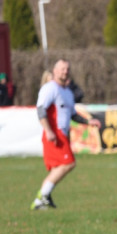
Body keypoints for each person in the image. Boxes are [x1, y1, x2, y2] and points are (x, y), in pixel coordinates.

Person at [31, 60, 102, 210]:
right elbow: (41, 109)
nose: (65, 72)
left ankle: (42, 198)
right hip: (54, 133)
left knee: (60, 166)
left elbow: (73, 114)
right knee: (69, 163)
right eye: (62, 69)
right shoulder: (50, 88)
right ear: (55, 71)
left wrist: (88, 121)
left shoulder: (68, 92)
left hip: (62, 134)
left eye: (67, 69)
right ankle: (42, 196)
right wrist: (48, 130)